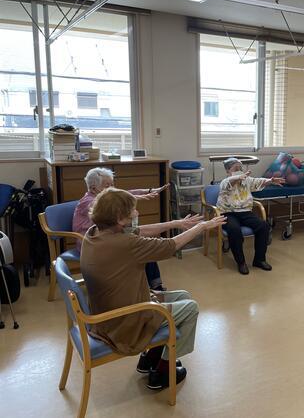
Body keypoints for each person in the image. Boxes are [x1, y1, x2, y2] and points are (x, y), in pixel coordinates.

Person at [80, 187, 226, 390]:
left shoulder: (95, 233)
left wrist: (178, 223)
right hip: (124, 323)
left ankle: (150, 357)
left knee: (182, 295)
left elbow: (140, 230)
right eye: (133, 210)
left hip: (108, 312)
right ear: (121, 219)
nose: (137, 213)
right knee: (191, 307)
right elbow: (170, 245)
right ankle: (164, 372)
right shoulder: (125, 243)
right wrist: (202, 227)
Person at [73, 167, 170, 290]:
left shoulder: (105, 197)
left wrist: (149, 190)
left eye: (112, 185)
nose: (112, 189)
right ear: (93, 188)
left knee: (142, 245)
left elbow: (123, 193)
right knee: (139, 248)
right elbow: (111, 202)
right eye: (107, 186)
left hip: (107, 238)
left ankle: (154, 286)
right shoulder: (88, 202)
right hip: (92, 243)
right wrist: (132, 200)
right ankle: (149, 288)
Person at [217, 158, 285, 275]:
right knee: (234, 230)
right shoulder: (225, 182)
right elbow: (229, 183)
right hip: (228, 213)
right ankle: (241, 262)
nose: (239, 171)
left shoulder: (247, 180)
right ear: (228, 171)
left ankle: (259, 260)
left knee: (263, 226)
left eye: (240, 168)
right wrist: (238, 177)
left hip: (245, 212)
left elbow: (258, 181)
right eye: (235, 169)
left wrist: (271, 180)